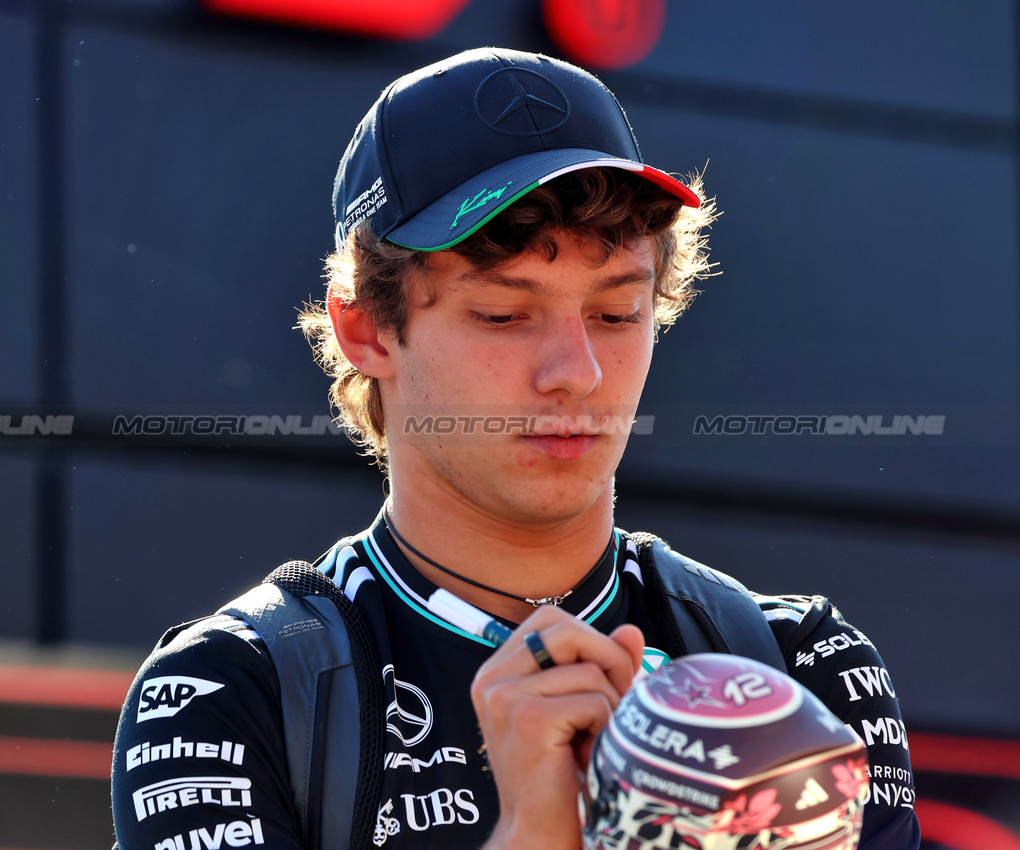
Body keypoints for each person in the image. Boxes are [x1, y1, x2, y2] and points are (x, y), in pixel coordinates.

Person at [111, 47, 918, 850]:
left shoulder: (792, 669)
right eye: (503, 314)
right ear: (366, 328)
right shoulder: (224, 693)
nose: (578, 373)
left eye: (615, 314)